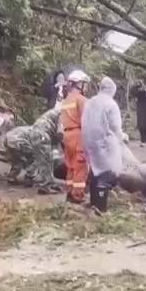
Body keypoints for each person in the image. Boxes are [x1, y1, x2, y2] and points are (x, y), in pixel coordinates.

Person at [81, 76, 128, 213]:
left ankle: (94, 203)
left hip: (89, 141)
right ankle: (101, 208)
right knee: (106, 174)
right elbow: (115, 126)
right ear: (111, 90)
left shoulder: (90, 102)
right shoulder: (111, 104)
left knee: (95, 172)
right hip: (105, 143)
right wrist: (122, 137)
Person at [3, 106, 62, 189]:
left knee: (17, 160)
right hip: (18, 140)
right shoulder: (37, 130)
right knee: (35, 157)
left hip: (8, 139)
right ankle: (30, 176)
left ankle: (11, 176)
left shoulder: (33, 127)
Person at [60, 69, 91, 203]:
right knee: (80, 166)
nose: (86, 87)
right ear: (79, 84)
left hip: (67, 135)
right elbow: (87, 120)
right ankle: (78, 195)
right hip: (79, 134)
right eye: (85, 84)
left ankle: (69, 191)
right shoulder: (81, 99)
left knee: (70, 166)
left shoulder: (66, 100)